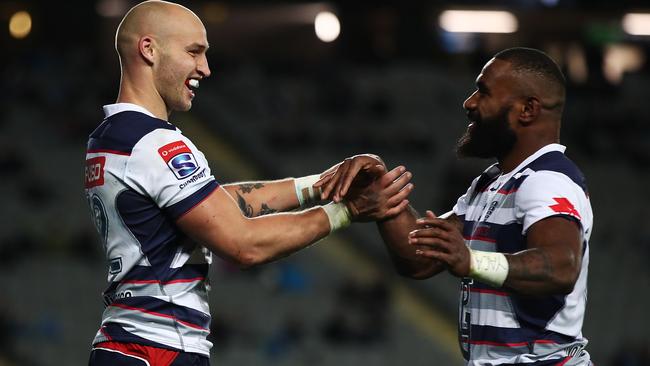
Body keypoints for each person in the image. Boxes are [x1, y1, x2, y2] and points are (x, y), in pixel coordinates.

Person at [83, 1, 412, 364]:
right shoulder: (154, 142)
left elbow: (214, 205)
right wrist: (347, 211)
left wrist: (322, 184)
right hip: (156, 348)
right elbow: (244, 245)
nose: (205, 68)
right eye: (193, 52)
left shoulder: (111, 136)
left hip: (129, 344)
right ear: (149, 49)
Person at [318, 47, 594, 365]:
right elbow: (419, 260)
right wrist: (385, 200)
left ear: (527, 110)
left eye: (484, 92)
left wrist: (473, 262)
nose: (470, 103)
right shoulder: (491, 183)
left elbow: (562, 266)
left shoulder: (547, 178)